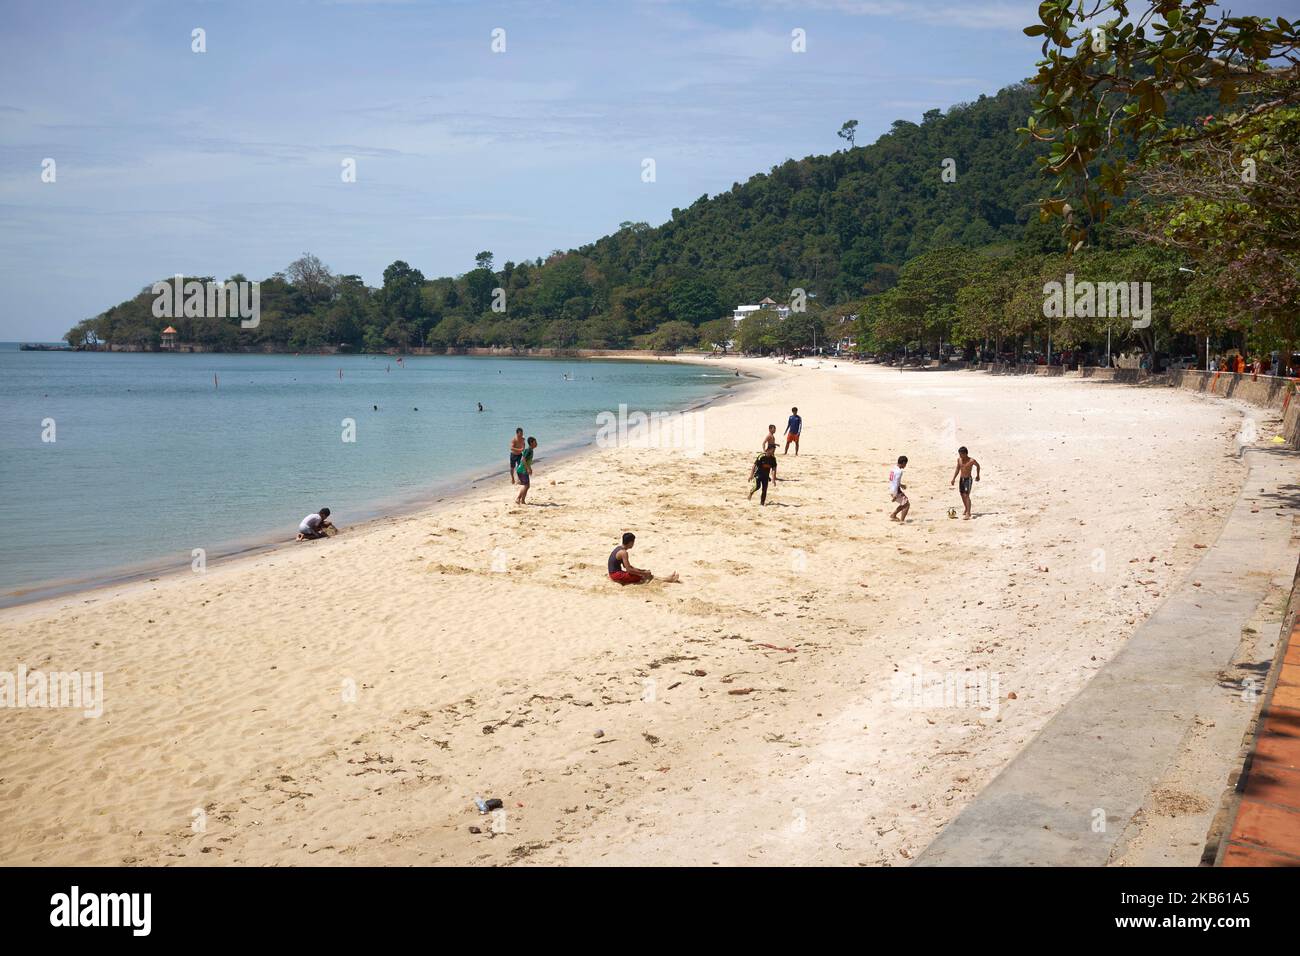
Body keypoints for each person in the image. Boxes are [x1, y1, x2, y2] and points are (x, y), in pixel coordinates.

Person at [608, 531, 678, 585]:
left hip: (614, 573)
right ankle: (667, 579)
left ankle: (667, 578)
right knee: (643, 576)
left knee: (642, 573)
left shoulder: (619, 548)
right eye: (633, 542)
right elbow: (629, 570)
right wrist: (643, 573)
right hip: (615, 575)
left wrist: (641, 571)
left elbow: (627, 566)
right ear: (630, 542)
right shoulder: (623, 553)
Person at [950, 446, 981, 519]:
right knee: (961, 494)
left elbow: (978, 466)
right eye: (959, 454)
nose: (960, 456)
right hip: (961, 479)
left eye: (961, 454)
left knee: (966, 495)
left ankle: (968, 513)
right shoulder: (959, 460)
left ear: (965, 454)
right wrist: (953, 478)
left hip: (968, 479)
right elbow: (957, 469)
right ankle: (966, 508)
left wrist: (978, 475)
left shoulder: (971, 461)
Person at [515, 436, 537, 504]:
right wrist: (527, 468)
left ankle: (521, 500)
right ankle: (519, 499)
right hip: (522, 470)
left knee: (526, 486)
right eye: (535, 442)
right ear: (531, 443)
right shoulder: (528, 450)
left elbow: (527, 461)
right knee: (526, 485)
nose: (536, 443)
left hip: (523, 470)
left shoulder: (530, 450)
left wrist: (530, 468)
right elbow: (523, 459)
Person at [889, 456, 909, 522]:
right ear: (903, 463)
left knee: (904, 503)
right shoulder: (899, 471)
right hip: (896, 490)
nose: (905, 465)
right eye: (905, 464)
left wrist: (901, 485)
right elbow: (896, 483)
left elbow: (893, 480)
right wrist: (895, 494)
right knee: (907, 504)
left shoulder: (893, 468)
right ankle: (902, 521)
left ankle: (894, 515)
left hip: (891, 489)